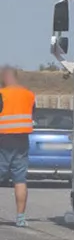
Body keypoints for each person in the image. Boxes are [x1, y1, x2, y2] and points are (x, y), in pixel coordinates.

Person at [0, 68, 35, 226]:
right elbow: (32, 114)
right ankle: (20, 218)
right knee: (20, 179)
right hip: (22, 138)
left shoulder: (2, 94)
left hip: (3, 137)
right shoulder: (29, 94)